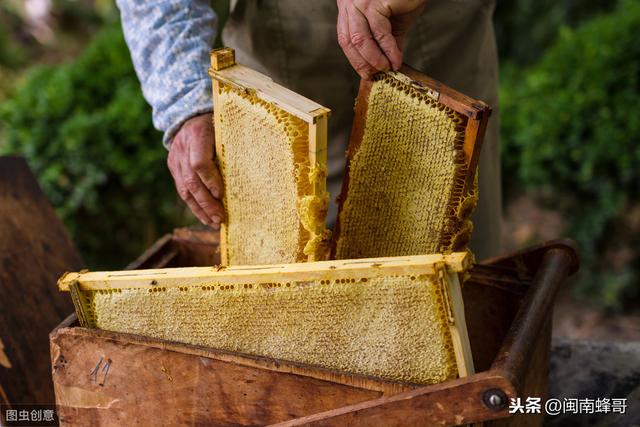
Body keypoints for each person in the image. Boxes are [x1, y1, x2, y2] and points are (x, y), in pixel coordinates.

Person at [116, 0, 502, 261]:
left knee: (455, 266)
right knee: (281, 298)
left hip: (429, 28)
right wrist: (185, 102)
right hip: (277, 45)